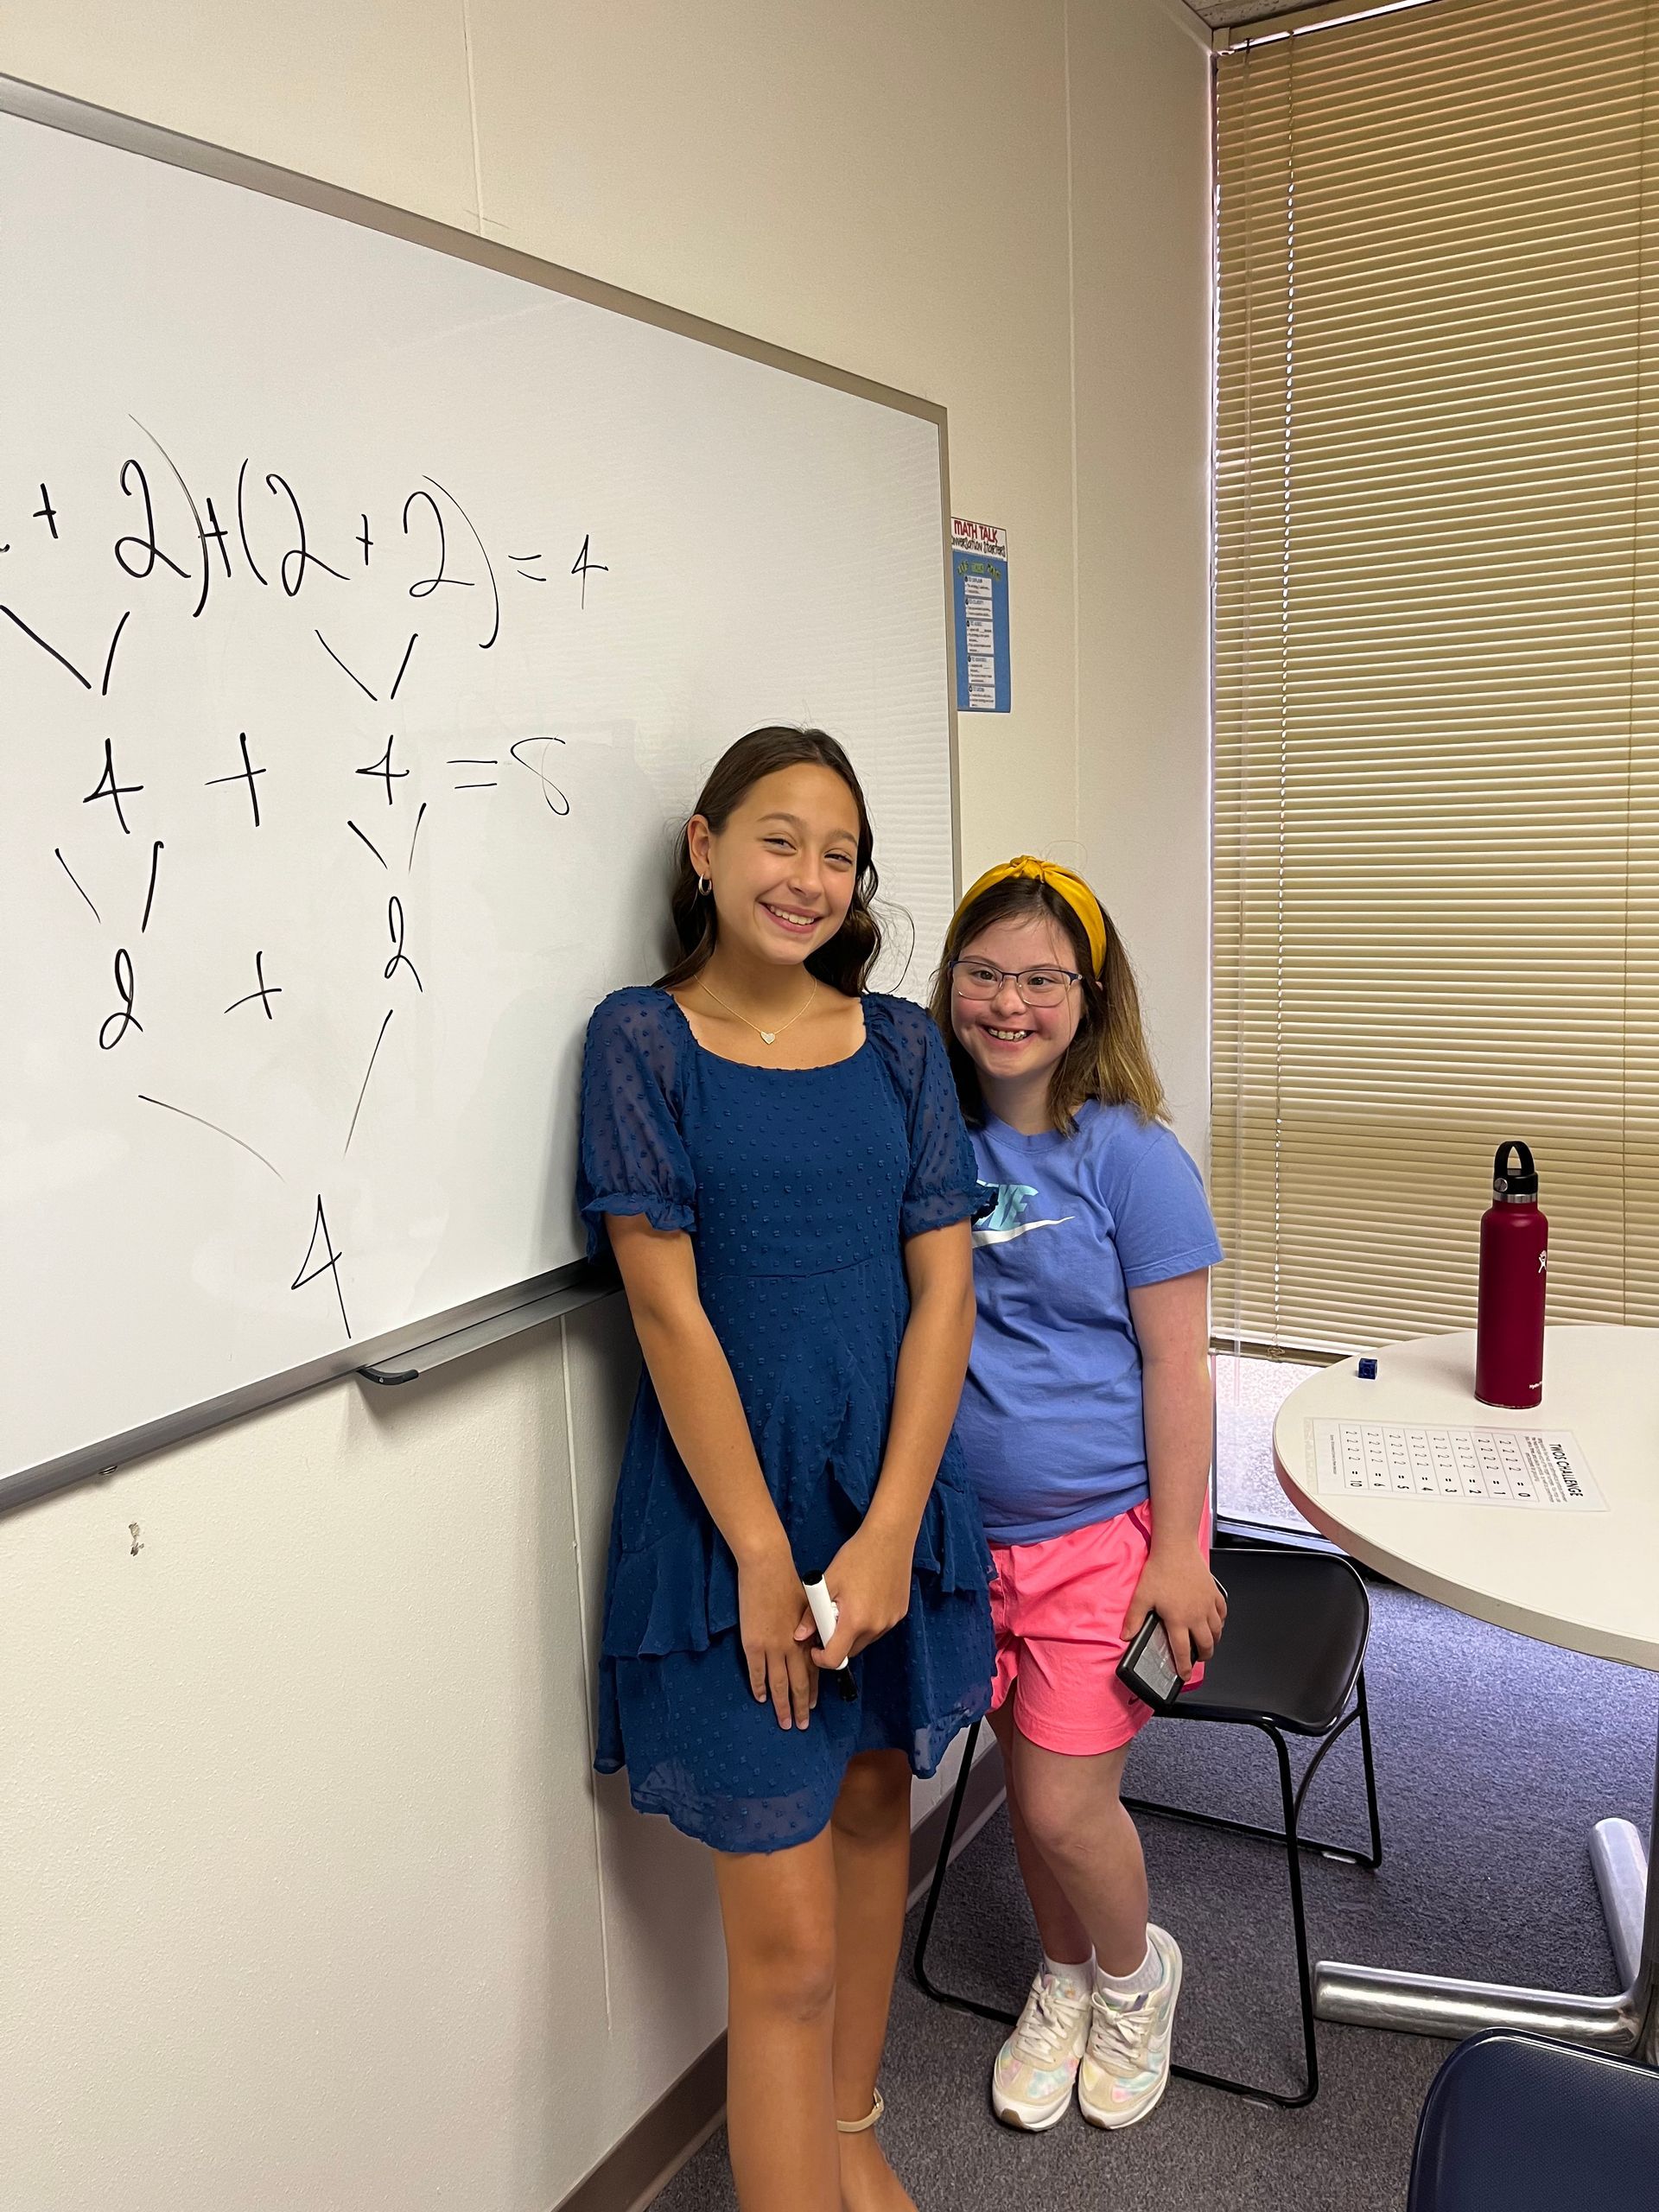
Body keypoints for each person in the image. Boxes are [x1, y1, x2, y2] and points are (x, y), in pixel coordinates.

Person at [578, 727, 994, 2212]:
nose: (809, 877)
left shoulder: (899, 1046)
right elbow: (666, 1312)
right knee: (789, 1953)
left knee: (880, 1817)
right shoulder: (641, 1041)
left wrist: (886, 1534)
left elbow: (944, 1296)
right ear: (705, 848)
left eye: (839, 854)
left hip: (890, 1501)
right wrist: (765, 1553)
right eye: (778, 839)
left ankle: (850, 2131)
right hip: (725, 1530)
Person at [928, 855, 1226, 2135]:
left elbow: (1179, 1366)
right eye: (984, 973)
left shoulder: (1132, 1156)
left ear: (1091, 996)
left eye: (1043, 979)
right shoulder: (932, 1139)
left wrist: (1181, 1555)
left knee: (1061, 1802)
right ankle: (1063, 1978)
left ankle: (1136, 1975)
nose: (1009, 1003)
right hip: (969, 1538)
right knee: (1032, 1786)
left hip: (1105, 1535)